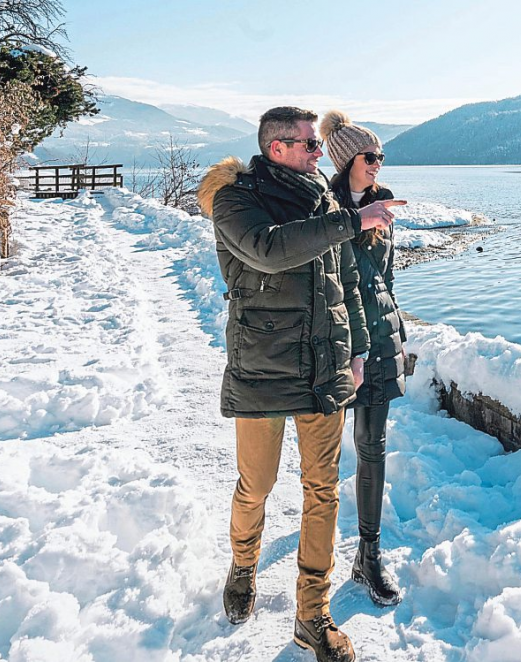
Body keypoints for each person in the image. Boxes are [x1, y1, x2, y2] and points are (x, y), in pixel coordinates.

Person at [196, 105, 403, 662]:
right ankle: (243, 564)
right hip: (264, 366)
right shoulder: (236, 200)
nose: (320, 153)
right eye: (311, 145)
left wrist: (357, 348)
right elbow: (269, 249)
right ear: (276, 147)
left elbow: (348, 285)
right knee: (255, 486)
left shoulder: (325, 201)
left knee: (323, 490)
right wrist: (353, 221)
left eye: (318, 145)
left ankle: (312, 616)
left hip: (325, 367)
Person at [321, 110, 406, 607]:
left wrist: (395, 331)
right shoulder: (323, 209)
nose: (377, 164)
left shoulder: (384, 207)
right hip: (333, 345)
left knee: (371, 446)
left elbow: (386, 279)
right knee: (325, 455)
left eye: (380, 156)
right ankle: (314, 553)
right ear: (346, 159)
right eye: (370, 156)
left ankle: (368, 555)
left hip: (378, 342)